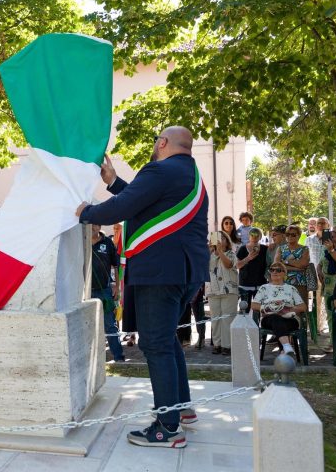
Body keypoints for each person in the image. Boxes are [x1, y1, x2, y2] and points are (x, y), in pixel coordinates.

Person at [77, 125, 209, 448]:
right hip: (185, 272)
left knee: (156, 344)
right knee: (167, 341)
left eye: (155, 142)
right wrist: (113, 182)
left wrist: (87, 213)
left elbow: (126, 207)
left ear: (162, 143)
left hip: (160, 272)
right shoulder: (190, 175)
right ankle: (181, 409)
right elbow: (145, 200)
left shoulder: (160, 170)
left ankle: (167, 427)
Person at [251, 262, 307, 356]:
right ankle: (286, 346)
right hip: (269, 319)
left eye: (278, 270)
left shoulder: (291, 288)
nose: (274, 272)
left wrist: (288, 308)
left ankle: (285, 349)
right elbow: (253, 305)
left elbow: (303, 307)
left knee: (280, 320)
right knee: (276, 318)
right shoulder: (264, 288)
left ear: (284, 273)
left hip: (289, 319)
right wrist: (269, 308)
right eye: (272, 270)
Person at [89, 224, 125, 363]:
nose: (93, 227)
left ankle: (118, 357)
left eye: (96, 225)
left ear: (99, 226)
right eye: (90, 224)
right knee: (88, 325)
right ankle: (92, 360)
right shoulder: (81, 241)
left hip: (104, 290)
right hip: (85, 292)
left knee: (110, 324)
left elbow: (115, 265)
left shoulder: (107, 242)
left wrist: (116, 285)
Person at [206, 230, 238, 356]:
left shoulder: (231, 253)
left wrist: (220, 251)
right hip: (213, 290)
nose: (220, 241)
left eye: (222, 238)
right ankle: (217, 344)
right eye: (217, 238)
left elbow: (228, 265)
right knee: (215, 318)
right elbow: (205, 266)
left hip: (229, 290)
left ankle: (227, 346)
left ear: (227, 241)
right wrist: (210, 250)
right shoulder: (209, 254)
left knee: (228, 318)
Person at [273, 225, 310, 306]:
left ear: (299, 236)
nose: (290, 236)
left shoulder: (305, 249)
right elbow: (277, 265)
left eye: (293, 234)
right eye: (287, 234)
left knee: (300, 309)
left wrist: (285, 261)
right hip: (283, 283)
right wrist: (296, 268)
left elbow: (303, 264)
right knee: (283, 309)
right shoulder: (281, 248)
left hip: (300, 283)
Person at [306, 217, 329, 334]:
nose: (320, 225)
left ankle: (322, 325)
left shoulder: (332, 239)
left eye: (323, 223)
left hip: (328, 274)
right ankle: (316, 326)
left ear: (328, 225)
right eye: (318, 223)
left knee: (326, 301)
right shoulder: (309, 239)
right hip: (314, 274)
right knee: (315, 301)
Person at [236, 227, 267, 314]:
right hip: (245, 285)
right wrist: (248, 258)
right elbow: (237, 265)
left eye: (257, 234)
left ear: (260, 237)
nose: (254, 236)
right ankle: (244, 327)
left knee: (259, 310)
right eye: (252, 234)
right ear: (249, 236)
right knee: (244, 310)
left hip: (260, 284)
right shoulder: (242, 249)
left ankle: (257, 327)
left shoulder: (265, 249)